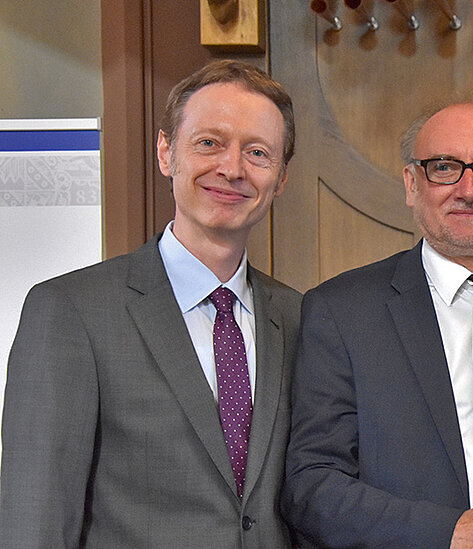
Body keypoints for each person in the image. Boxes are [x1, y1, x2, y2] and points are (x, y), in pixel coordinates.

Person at [1, 60, 301, 547]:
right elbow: (34, 519)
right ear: (166, 152)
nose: (232, 168)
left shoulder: (300, 317)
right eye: (209, 143)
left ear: (281, 178)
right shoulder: (70, 311)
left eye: (257, 152)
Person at [281, 99, 473, 548]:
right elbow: (313, 486)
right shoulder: (343, 313)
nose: (468, 189)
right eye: (445, 168)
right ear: (412, 184)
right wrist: (449, 533)